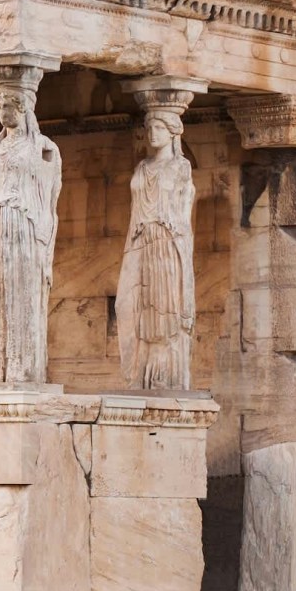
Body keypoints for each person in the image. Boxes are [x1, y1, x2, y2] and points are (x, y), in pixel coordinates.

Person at [0, 70, 62, 383]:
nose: (2, 109)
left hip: (24, 226)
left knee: (20, 296)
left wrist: (44, 248)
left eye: (8, 103)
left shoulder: (44, 149)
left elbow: (50, 200)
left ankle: (21, 370)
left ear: (24, 106)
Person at [117, 109, 195, 389]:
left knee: (165, 308)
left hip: (166, 244)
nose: (152, 134)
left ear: (173, 133)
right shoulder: (141, 168)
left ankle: (164, 376)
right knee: (128, 305)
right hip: (140, 242)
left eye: (159, 128)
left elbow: (184, 211)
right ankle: (141, 373)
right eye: (149, 128)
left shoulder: (180, 168)